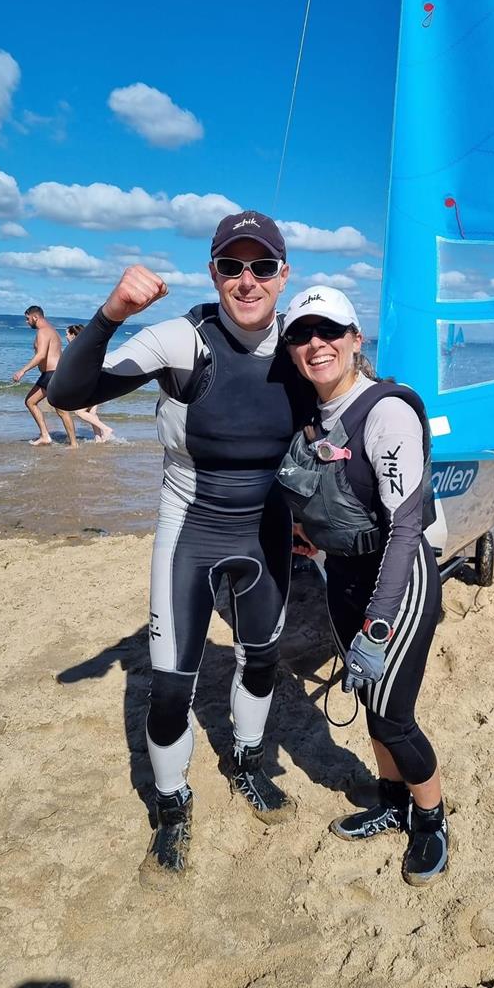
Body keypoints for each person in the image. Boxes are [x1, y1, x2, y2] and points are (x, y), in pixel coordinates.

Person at [48, 211, 312, 877]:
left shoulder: (306, 343)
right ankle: (172, 802)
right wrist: (110, 313)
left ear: (285, 275)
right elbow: (68, 390)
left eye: (261, 266)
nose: (246, 279)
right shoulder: (180, 339)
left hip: (269, 531)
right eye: (231, 265)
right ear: (213, 273)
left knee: (262, 660)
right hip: (190, 529)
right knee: (170, 689)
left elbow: (359, 416)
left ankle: (247, 763)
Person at [275, 286, 448, 887]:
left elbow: (404, 528)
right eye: (301, 334)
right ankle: (392, 803)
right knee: (372, 706)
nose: (315, 344)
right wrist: (307, 531)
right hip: (343, 573)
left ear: (355, 339)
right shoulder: (310, 411)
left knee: (395, 715)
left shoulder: (385, 412)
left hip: (397, 577)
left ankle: (430, 821)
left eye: (329, 332)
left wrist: (378, 621)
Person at [12, 306, 77, 446]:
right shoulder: (52, 331)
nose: (26, 322)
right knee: (33, 402)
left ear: (35, 317)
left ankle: (71, 443)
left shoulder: (43, 332)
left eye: (27, 318)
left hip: (51, 374)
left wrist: (22, 370)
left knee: (59, 409)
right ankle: (47, 436)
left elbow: (41, 355)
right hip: (55, 374)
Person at [64, 326, 115, 442]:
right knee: (92, 412)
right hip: (99, 382)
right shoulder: (88, 346)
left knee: (79, 412)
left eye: (67, 334)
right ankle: (98, 437)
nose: (66, 336)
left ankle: (106, 429)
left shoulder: (76, 349)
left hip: (90, 384)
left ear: (73, 335)